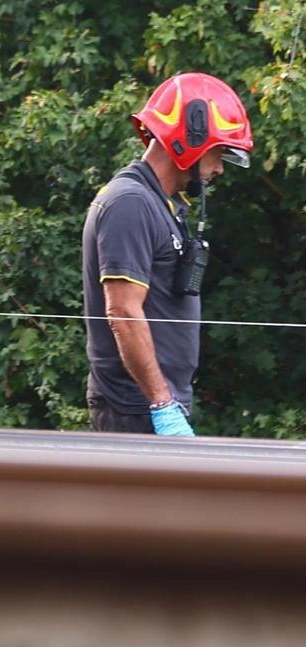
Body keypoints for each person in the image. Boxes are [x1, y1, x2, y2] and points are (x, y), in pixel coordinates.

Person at [82, 72, 254, 436]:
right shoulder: (129, 203)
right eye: (218, 152)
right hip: (135, 409)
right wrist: (162, 405)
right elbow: (123, 311)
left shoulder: (163, 205)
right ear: (189, 140)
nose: (220, 167)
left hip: (155, 406)